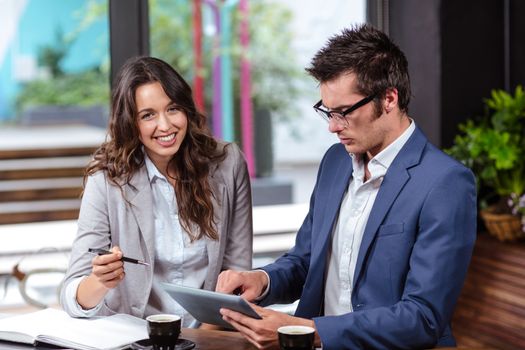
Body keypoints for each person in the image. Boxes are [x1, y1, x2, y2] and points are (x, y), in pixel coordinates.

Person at [216, 24, 477, 349]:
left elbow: (422, 318)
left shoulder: (445, 183)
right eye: (326, 111)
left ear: (389, 98)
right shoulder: (336, 162)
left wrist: (310, 331)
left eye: (343, 113)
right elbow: (306, 260)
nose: (332, 127)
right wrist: (262, 280)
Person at [60, 56, 253, 326]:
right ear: (130, 122)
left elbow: (238, 271)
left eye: (173, 109)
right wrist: (99, 282)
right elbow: (71, 297)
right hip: (134, 337)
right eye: (148, 115)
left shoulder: (228, 163)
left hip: (209, 335)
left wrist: (203, 337)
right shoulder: (107, 179)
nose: (165, 126)